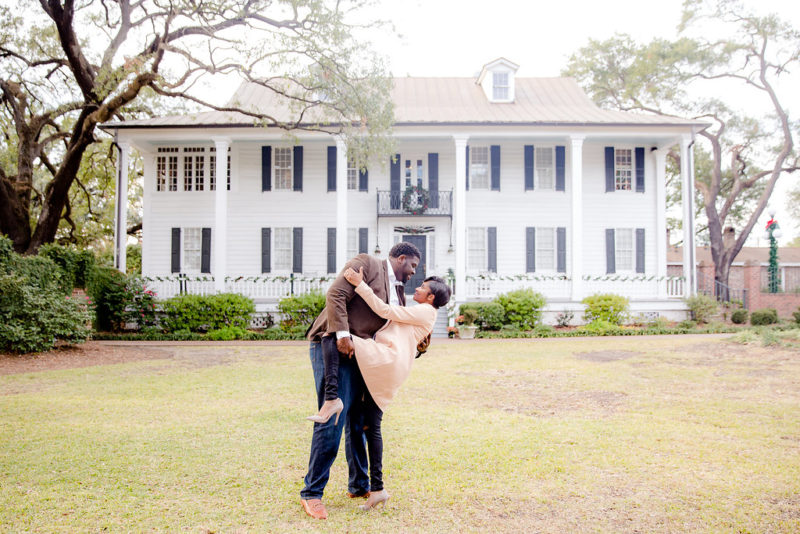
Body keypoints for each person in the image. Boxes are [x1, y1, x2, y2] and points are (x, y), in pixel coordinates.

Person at [300, 242, 421, 520]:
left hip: (361, 354)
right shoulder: (366, 263)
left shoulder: (399, 293)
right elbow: (335, 295)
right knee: (333, 416)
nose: (413, 272)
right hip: (332, 345)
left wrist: (420, 345)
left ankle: (358, 485)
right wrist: (342, 334)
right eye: (412, 265)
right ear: (401, 258)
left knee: (358, 420)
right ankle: (312, 493)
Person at [324, 267, 451, 511]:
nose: (418, 288)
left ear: (431, 297)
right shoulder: (423, 310)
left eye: (423, 287)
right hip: (388, 361)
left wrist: (359, 284)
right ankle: (377, 489)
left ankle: (331, 398)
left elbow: (384, 310)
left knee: (334, 336)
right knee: (370, 426)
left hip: (385, 359)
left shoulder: (425, 311)